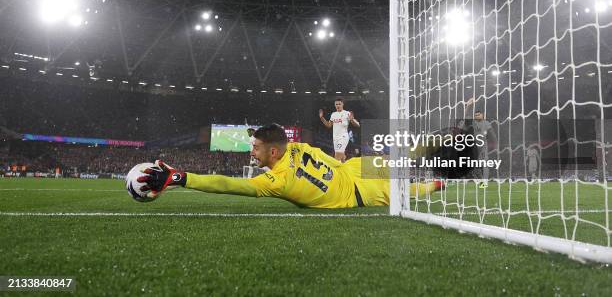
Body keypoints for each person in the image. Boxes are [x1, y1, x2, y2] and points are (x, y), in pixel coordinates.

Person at [138, 123, 443, 209]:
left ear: (273, 151)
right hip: (351, 173)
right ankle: (439, 174)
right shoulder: (293, 145)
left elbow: (228, 184)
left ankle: (444, 159)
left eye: (255, 148)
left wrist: (181, 177)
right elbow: (278, 139)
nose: (251, 152)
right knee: (404, 173)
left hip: (355, 192)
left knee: (406, 190)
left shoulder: (276, 182)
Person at [319, 98, 359, 162]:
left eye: (339, 104)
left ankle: (331, 171)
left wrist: (352, 120)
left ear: (342, 104)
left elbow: (357, 125)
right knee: (342, 159)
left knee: (337, 158)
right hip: (335, 138)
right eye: (336, 104)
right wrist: (322, 118)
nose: (338, 105)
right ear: (335, 105)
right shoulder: (333, 114)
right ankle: (345, 170)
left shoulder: (347, 113)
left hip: (343, 137)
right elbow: (329, 125)